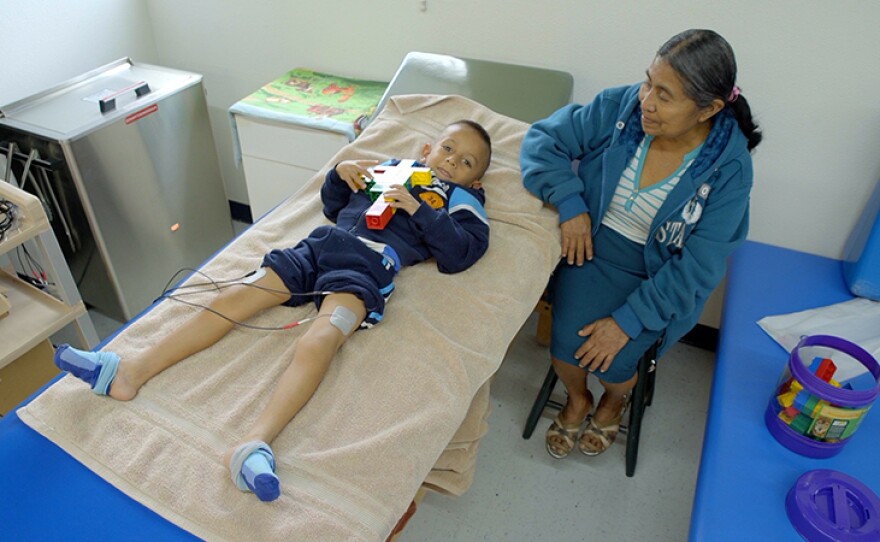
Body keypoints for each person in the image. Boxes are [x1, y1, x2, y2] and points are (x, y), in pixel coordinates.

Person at [54, 120, 493, 501]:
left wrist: (422, 212)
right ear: (426, 149)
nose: (452, 161)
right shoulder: (393, 167)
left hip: (366, 265)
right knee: (233, 298)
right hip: (317, 248)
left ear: (475, 183)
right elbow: (335, 205)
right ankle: (131, 371)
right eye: (448, 148)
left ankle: (253, 444)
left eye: (467, 162)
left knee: (322, 337)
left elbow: (462, 254)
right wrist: (341, 175)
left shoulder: (461, 202)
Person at [520, 29, 761, 459]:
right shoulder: (620, 108)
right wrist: (571, 204)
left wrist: (629, 321)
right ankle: (579, 401)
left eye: (665, 95)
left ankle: (614, 400)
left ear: (709, 109)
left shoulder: (730, 169)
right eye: (648, 81)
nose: (646, 101)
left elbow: (699, 266)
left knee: (614, 361)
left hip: (661, 279)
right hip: (593, 254)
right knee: (565, 348)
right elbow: (544, 139)